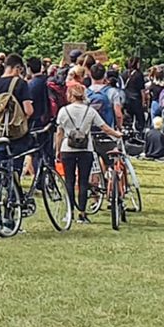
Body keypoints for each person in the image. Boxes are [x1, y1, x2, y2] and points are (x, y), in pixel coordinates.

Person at [54, 82, 122, 224]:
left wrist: (58, 150)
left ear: (70, 95)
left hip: (68, 148)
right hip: (86, 149)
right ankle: (82, 213)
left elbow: (59, 133)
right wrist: (117, 134)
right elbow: (104, 127)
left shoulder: (63, 111)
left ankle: (69, 212)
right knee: (83, 182)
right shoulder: (89, 111)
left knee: (69, 181)